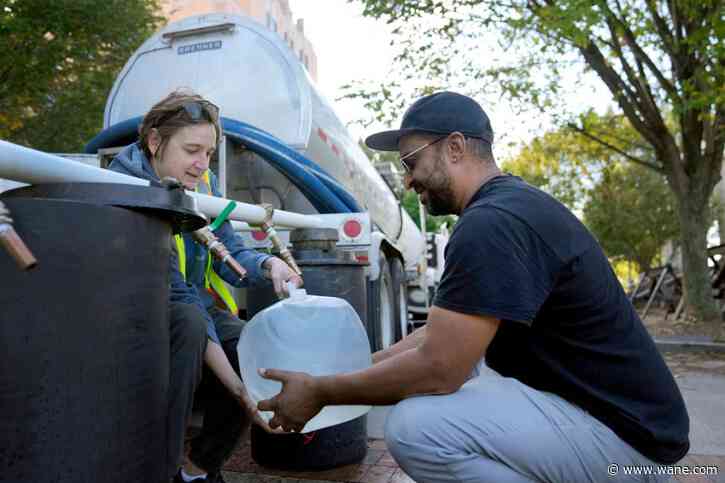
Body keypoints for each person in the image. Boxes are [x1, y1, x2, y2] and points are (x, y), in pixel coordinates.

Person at [256, 92, 690, 482]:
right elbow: (442, 335)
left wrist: (322, 392)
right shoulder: (506, 208)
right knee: (469, 374)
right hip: (616, 428)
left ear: (456, 147)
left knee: (417, 428)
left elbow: (440, 367)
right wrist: (353, 370)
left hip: (627, 448)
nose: (407, 180)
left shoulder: (491, 224)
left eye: (411, 162)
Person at [108, 89, 300, 483]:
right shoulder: (123, 183)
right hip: (135, 307)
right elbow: (174, 291)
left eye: (209, 153)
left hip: (192, 301)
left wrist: (268, 264)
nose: (202, 164)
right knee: (191, 327)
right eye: (192, 150)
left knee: (251, 347)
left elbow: (228, 252)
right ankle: (157, 465)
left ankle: (197, 468)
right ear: (155, 142)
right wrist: (237, 389)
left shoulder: (206, 185)